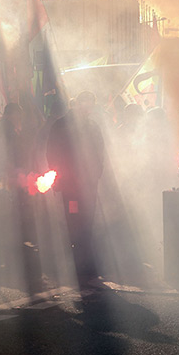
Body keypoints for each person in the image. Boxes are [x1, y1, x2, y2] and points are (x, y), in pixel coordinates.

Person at [46, 91, 105, 285]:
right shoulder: (61, 125)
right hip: (71, 184)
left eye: (90, 103)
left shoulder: (92, 126)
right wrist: (59, 177)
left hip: (88, 183)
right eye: (85, 103)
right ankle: (76, 262)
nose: (87, 107)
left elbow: (99, 151)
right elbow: (52, 152)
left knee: (87, 220)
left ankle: (86, 261)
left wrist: (96, 173)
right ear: (77, 103)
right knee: (74, 220)